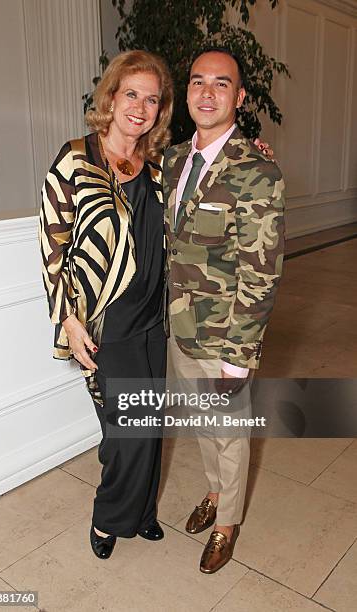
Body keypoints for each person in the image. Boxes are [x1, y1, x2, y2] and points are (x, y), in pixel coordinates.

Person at [39, 50, 173, 560]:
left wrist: (255, 150)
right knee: (126, 430)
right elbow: (51, 247)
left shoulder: (161, 165)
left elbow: (212, 169)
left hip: (153, 319)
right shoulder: (76, 157)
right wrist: (68, 320)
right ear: (112, 97)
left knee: (149, 422)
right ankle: (108, 517)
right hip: (103, 321)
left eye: (152, 99)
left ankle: (142, 514)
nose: (140, 107)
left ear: (160, 111)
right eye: (131, 94)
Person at [163, 49, 285, 574]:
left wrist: (240, 357)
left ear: (238, 97)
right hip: (179, 328)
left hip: (224, 335)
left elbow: (262, 273)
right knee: (201, 425)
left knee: (230, 432)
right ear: (186, 93)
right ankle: (215, 492)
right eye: (197, 82)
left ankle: (228, 521)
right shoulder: (170, 160)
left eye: (221, 83)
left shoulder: (258, 171)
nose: (207, 92)